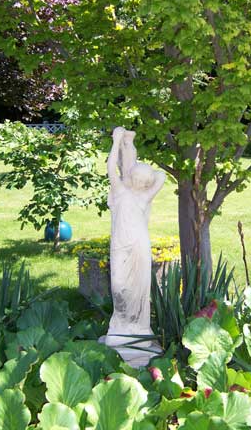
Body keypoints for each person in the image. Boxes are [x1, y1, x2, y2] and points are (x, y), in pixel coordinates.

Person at [106, 127, 166, 347]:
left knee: (139, 290)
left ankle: (138, 327)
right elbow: (112, 169)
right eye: (136, 178)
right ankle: (121, 324)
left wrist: (144, 172)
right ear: (130, 177)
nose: (139, 183)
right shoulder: (120, 191)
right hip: (121, 246)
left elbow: (161, 176)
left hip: (139, 247)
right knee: (119, 286)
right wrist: (118, 142)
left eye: (143, 181)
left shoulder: (144, 197)